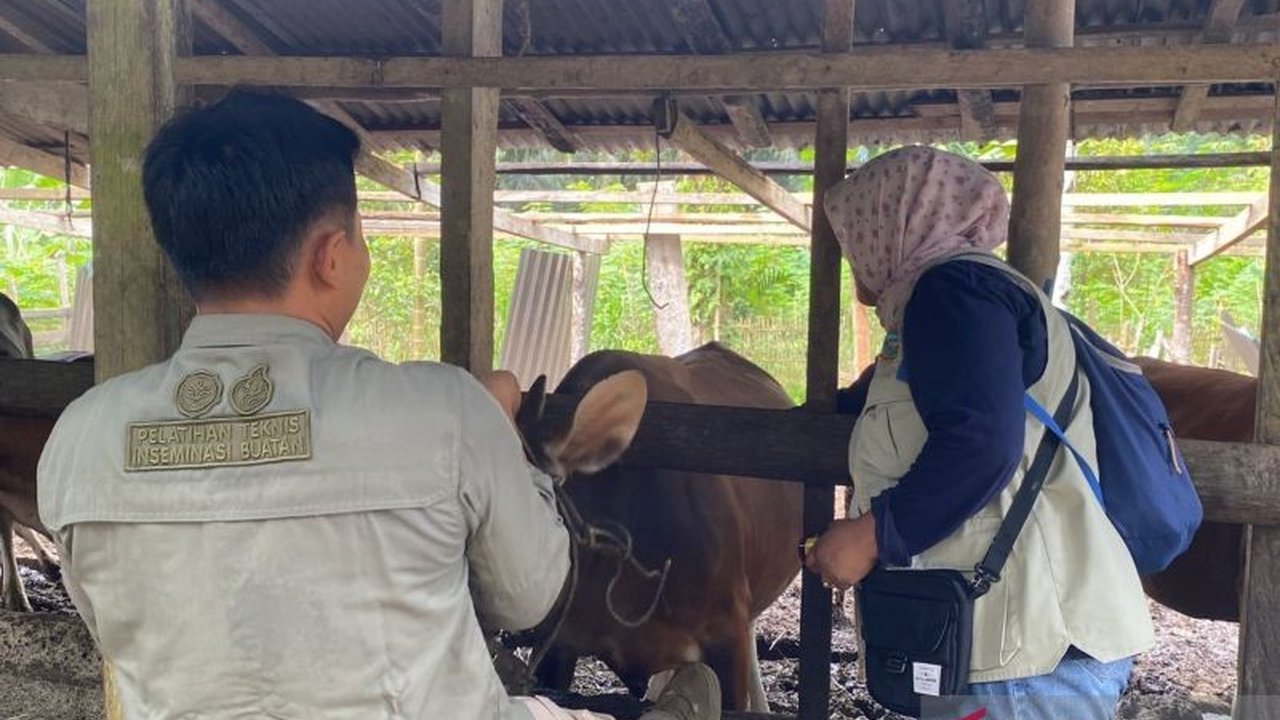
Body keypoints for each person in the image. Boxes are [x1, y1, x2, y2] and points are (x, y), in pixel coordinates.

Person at [37, 90, 718, 720]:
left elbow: (113, 623)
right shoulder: (445, 413)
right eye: (360, 238)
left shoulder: (79, 439)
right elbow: (528, 597)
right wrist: (501, 443)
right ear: (331, 257)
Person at [804, 146, 1153, 719]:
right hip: (1005, 644)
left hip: (1026, 653)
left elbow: (980, 442)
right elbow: (905, 409)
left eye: (859, 230)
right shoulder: (945, 305)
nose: (853, 254)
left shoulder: (955, 293)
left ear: (898, 220)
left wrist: (873, 535)